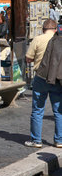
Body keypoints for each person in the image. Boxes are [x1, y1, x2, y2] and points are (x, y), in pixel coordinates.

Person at [24, 19, 59, 148]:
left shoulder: (38, 39)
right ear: (55, 29)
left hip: (41, 77)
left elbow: (28, 58)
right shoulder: (59, 40)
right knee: (58, 110)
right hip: (56, 78)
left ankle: (36, 140)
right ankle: (59, 140)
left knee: (38, 110)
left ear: (43, 29)